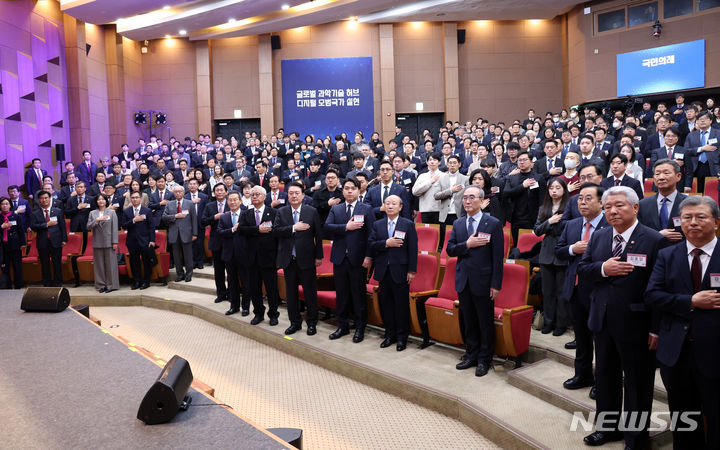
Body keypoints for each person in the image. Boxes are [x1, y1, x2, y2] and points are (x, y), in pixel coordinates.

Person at [576, 186, 663, 449]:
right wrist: (605, 268)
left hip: (637, 323)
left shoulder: (654, 239)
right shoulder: (600, 236)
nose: (612, 211)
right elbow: (584, 268)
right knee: (605, 376)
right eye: (607, 207)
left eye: (619, 206)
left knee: (637, 382)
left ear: (635, 208)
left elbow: (659, 288)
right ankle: (607, 429)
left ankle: (636, 438)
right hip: (602, 319)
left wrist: (656, 329)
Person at [645, 195, 720, 449]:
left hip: (715, 351)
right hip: (676, 352)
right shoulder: (668, 255)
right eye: (687, 218)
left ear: (716, 222)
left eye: (701, 217)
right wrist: (691, 301)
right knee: (683, 418)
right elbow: (652, 295)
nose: (693, 223)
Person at [447, 185, 504, 377]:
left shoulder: (493, 223)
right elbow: (450, 249)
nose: (468, 201)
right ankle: (471, 355)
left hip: (484, 281)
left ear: (481, 200)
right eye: (465, 198)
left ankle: (484, 359)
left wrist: (496, 284)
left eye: (472, 197)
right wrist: (467, 245)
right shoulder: (458, 223)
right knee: (469, 321)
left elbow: (498, 258)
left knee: (484, 322)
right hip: (463, 280)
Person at [555, 184, 608, 394]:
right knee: (582, 337)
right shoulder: (572, 225)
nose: (582, 203)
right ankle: (582, 374)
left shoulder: (609, 225)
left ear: (601, 202)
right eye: (579, 199)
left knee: (601, 341)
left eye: (588, 198)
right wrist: (572, 249)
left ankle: (601, 382)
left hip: (599, 290)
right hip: (576, 287)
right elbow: (559, 251)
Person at [324, 177, 375, 342]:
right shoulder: (336, 209)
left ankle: (360, 327)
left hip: (358, 259)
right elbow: (327, 227)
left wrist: (369, 256)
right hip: (339, 258)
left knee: (358, 295)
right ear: (343, 190)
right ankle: (343, 326)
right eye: (346, 188)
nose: (349, 191)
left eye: (353, 188)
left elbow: (371, 236)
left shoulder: (366, 209)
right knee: (342, 294)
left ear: (359, 190)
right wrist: (346, 227)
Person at [368, 194, 418, 351]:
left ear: (400, 207)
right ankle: (389, 335)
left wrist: (411, 270)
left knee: (401, 305)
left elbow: (413, 249)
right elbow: (371, 244)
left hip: (401, 271)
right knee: (387, 305)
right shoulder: (378, 224)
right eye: (387, 203)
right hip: (383, 270)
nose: (390, 206)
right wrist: (386, 243)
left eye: (393, 204)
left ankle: (402, 338)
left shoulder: (408, 224)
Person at [274, 181, 323, 336]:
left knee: (310, 293)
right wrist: (293, 228)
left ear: (303, 195)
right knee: (291, 294)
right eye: (291, 193)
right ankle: (294, 322)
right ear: (287, 195)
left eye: (297, 193)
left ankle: (312, 323)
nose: (294, 196)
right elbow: (276, 231)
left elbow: (318, 235)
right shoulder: (281, 212)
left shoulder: (311, 211)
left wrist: (319, 255)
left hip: (307, 258)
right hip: (289, 259)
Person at [238, 186, 280, 326]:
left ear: (264, 196)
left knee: (271, 289)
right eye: (252, 194)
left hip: (269, 257)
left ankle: (273, 314)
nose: (254, 196)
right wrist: (257, 229)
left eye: (257, 194)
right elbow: (241, 230)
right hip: (251, 258)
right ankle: (258, 313)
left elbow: (277, 232)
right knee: (254, 288)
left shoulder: (273, 212)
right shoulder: (246, 213)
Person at [533, 177, 569, 336]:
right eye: (551, 188)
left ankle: (560, 324)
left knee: (561, 291)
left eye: (558, 188)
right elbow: (537, 231)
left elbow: (571, 228)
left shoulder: (570, 207)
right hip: (547, 252)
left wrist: (552, 225)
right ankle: (548, 322)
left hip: (563, 251)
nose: (554, 191)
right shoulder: (543, 208)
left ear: (564, 190)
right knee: (547, 291)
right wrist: (550, 221)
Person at [638, 158, 687, 243]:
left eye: (666, 173)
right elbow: (638, 233)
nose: (661, 177)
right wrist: (658, 235)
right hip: (652, 252)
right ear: (653, 178)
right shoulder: (643, 204)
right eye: (657, 174)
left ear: (678, 176)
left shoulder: (689, 203)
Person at [217, 191, 249, 316]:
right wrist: (232, 230)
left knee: (246, 282)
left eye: (235, 200)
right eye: (230, 200)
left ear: (240, 201)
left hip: (244, 254)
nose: (232, 202)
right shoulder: (224, 217)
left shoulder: (246, 215)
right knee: (232, 282)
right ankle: (234, 306)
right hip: (229, 254)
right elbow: (220, 232)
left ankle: (245, 307)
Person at [504, 151, 546, 245]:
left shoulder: (539, 178)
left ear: (531, 162)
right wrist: (522, 186)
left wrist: (540, 218)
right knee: (516, 245)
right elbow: (506, 193)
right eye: (519, 160)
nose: (521, 162)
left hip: (532, 219)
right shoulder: (512, 178)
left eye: (524, 160)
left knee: (530, 245)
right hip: (515, 218)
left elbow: (542, 200)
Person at [30, 190, 67, 287]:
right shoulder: (35, 213)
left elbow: (62, 226)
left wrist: (64, 239)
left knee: (57, 263)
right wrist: (46, 224)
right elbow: (33, 226)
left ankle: (58, 283)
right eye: (42, 198)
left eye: (46, 198)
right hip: (42, 242)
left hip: (56, 241)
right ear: (39, 200)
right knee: (45, 264)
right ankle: (47, 283)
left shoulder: (58, 211)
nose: (44, 200)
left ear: (50, 198)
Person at [163, 185, 197, 282]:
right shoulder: (169, 204)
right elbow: (164, 217)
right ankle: (180, 274)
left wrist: (195, 233)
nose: (178, 193)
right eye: (176, 192)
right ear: (173, 193)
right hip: (174, 233)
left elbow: (194, 219)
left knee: (188, 255)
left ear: (183, 193)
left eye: (180, 192)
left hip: (187, 233)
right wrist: (175, 216)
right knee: (176, 256)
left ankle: (189, 274)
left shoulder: (190, 203)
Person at [122, 190, 156, 290]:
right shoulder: (127, 211)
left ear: (140, 199)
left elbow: (151, 227)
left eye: (137, 197)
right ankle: (136, 281)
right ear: (130, 199)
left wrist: (152, 240)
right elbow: (123, 226)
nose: (135, 199)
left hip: (145, 241)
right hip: (132, 241)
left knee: (146, 262)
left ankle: (146, 282)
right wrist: (133, 220)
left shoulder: (147, 211)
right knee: (134, 262)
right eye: (133, 198)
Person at [201, 183, 229, 303]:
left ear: (226, 192)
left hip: (230, 242)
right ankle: (221, 294)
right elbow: (203, 221)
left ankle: (232, 293)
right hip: (216, 242)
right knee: (218, 271)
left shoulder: (232, 203)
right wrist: (214, 217)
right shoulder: (209, 206)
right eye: (217, 190)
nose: (219, 192)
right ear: (214, 193)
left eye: (221, 190)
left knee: (231, 271)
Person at [86, 194, 119, 293]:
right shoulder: (92, 213)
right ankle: (101, 285)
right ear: (96, 202)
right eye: (99, 199)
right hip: (97, 241)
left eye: (103, 199)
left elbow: (114, 228)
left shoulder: (112, 212)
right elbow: (88, 226)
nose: (101, 201)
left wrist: (115, 241)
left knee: (111, 264)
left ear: (106, 201)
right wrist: (97, 220)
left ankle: (111, 285)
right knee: (99, 265)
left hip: (110, 241)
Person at [435, 155, 468, 251]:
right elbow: (436, 195)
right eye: (450, 163)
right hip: (445, 214)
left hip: (459, 213)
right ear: (447, 164)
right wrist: (451, 190)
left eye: (455, 163)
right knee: (444, 239)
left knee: (459, 238)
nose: (452, 165)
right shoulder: (442, 178)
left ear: (459, 164)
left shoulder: (465, 179)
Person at [0, 197, 25, 289]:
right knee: (5, 267)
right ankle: (7, 285)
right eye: (2, 204)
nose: (5, 206)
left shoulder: (16, 217)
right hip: (3, 246)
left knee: (17, 266)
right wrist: (1, 227)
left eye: (7, 204)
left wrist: (23, 243)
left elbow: (21, 231)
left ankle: (18, 284)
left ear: (10, 205)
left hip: (15, 244)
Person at [412, 153, 444, 224]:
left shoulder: (444, 175)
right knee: (427, 233)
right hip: (425, 210)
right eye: (430, 160)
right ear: (427, 162)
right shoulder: (422, 176)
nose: (432, 162)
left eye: (435, 160)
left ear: (439, 162)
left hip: (440, 210)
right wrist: (429, 182)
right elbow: (415, 191)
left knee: (439, 233)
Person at [184, 179, 208, 269]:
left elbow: (206, 209)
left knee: (200, 243)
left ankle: (200, 261)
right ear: (188, 186)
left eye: (194, 184)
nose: (192, 186)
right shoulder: (185, 197)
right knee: (191, 244)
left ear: (198, 185)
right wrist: (192, 202)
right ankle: (193, 262)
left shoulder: (204, 196)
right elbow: (183, 210)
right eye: (190, 184)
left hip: (200, 223)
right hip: (188, 223)